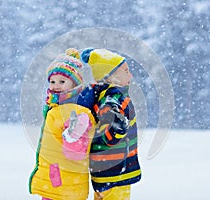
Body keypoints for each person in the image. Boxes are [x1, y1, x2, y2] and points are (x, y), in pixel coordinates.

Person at [29, 48, 96, 200]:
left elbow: (75, 152)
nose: (55, 85)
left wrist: (73, 135)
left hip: (63, 181)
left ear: (74, 84)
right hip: (56, 178)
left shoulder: (75, 111)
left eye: (62, 81)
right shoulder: (57, 107)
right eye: (52, 81)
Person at [78, 48, 141, 200]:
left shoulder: (105, 95)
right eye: (126, 71)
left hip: (107, 170)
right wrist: (116, 130)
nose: (130, 75)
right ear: (111, 77)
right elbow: (113, 125)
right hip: (115, 171)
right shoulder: (112, 97)